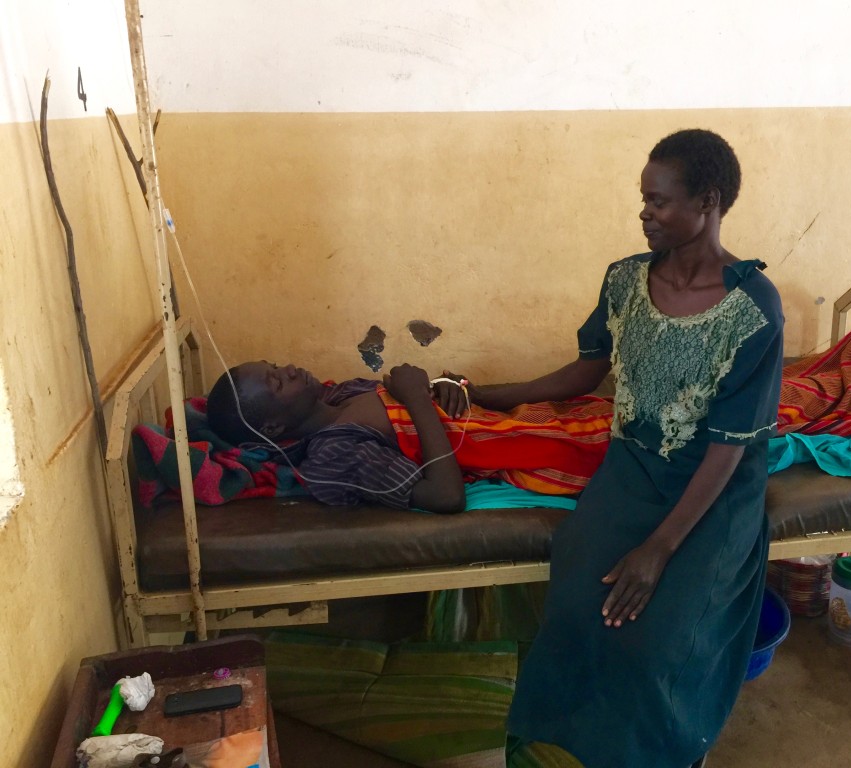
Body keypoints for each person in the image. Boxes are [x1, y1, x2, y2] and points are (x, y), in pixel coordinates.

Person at [468, 129, 785, 768]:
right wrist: (485, 394)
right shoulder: (624, 282)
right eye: (643, 200)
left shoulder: (754, 310)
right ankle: (558, 748)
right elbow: (585, 371)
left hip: (712, 490)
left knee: (658, 647)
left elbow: (727, 449)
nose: (644, 213)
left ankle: (664, 753)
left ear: (709, 202)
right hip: (633, 470)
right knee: (572, 614)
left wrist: (658, 551)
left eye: (659, 201)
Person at [204, 361, 613, 513]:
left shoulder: (344, 392)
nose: (291, 368)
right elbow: (445, 495)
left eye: (278, 365)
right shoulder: (333, 455)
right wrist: (418, 396)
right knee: (633, 446)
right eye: (278, 382)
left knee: (621, 413)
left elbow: (431, 399)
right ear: (272, 428)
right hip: (543, 449)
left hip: (525, 416)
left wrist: (445, 386)